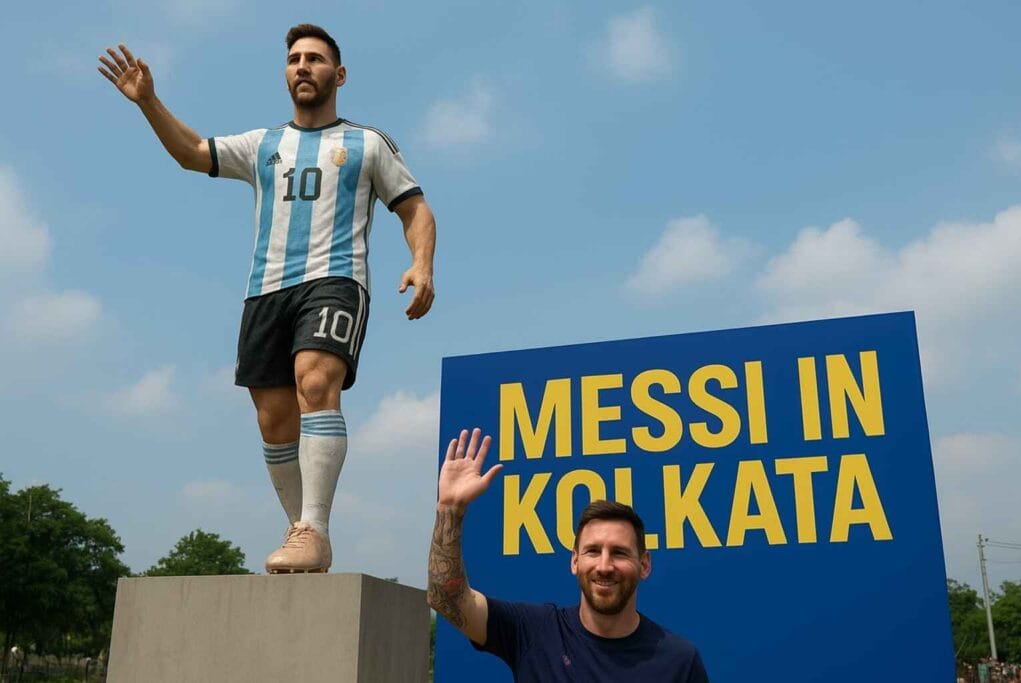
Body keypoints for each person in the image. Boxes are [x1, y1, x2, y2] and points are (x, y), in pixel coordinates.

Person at [98, 24, 436, 573]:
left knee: (315, 380)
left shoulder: (367, 143)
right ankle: (303, 531)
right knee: (274, 420)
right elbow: (191, 152)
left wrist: (422, 263)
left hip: (335, 279)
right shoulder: (263, 145)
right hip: (266, 291)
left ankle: (313, 527)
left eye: (316, 59)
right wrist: (149, 101)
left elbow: (415, 207)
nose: (303, 66)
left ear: (339, 75)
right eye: (295, 59)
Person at [427, 428, 709, 682]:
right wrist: (450, 508)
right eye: (593, 551)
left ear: (644, 564)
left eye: (620, 553)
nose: (604, 565)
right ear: (575, 560)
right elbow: (446, 598)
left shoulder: (679, 660)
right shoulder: (533, 632)